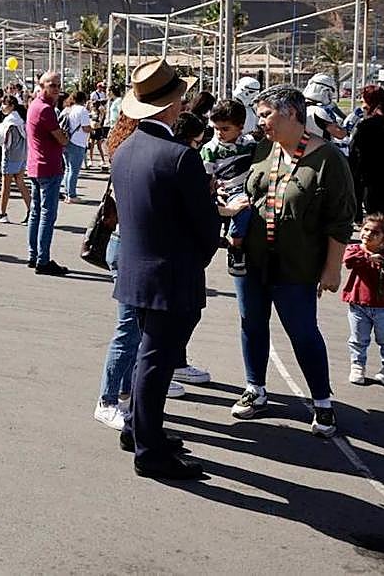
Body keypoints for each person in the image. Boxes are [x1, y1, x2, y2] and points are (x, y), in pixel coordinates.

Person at [110, 58, 219, 479]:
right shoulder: (179, 158)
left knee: (147, 356)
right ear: (174, 106)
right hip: (171, 275)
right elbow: (206, 228)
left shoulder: (124, 151)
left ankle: (140, 430)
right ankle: (149, 452)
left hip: (138, 271)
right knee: (157, 361)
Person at [231, 84, 355, 437]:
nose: (261, 121)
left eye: (267, 113)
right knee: (251, 324)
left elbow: (341, 220)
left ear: (291, 114)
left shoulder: (329, 159)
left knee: (302, 332)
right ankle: (255, 389)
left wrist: (333, 268)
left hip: (296, 266)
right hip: (252, 261)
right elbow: (250, 192)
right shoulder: (263, 150)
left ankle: (322, 403)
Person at [200, 99, 256, 277]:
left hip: (250, 188)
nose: (219, 133)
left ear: (240, 127)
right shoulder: (210, 149)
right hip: (229, 192)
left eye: (225, 129)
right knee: (243, 210)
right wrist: (214, 188)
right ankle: (235, 247)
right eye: (216, 128)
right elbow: (206, 178)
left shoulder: (250, 144)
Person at [26, 72, 70, 275]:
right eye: (52, 85)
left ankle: (33, 255)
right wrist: (65, 137)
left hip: (36, 165)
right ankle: (42, 259)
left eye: (58, 85)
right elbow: (61, 139)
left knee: (36, 213)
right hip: (49, 167)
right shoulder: (45, 110)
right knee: (47, 214)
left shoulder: (35, 106)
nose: (56, 89)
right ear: (41, 85)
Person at [343, 213, 384, 386]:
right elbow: (348, 260)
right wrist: (368, 257)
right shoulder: (356, 250)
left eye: (374, 232)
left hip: (383, 307)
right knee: (358, 338)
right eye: (365, 229)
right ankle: (357, 365)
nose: (368, 234)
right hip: (358, 304)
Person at [349, 85, 384, 219]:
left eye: (364, 100)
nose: (362, 104)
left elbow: (356, 156)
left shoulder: (367, 126)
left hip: (372, 182)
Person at [0, 95, 30, 224]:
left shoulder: (9, 121)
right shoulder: (21, 119)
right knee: (20, 182)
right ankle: (32, 210)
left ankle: (2, 213)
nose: (2, 106)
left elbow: (0, 140)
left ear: (11, 106)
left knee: (6, 185)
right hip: (21, 155)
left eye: (4, 104)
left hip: (10, 155)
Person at [60, 90, 92, 202]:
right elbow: (85, 127)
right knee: (74, 170)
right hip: (77, 142)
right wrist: (92, 129)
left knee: (68, 169)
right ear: (83, 99)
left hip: (65, 140)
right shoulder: (82, 110)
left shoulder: (67, 109)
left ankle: (67, 193)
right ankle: (72, 195)